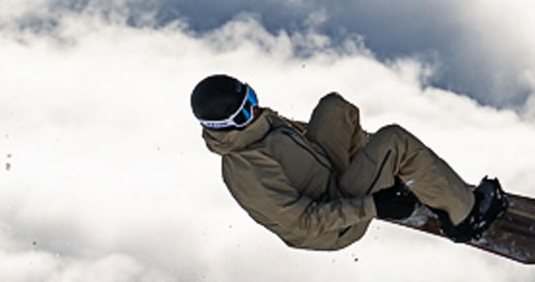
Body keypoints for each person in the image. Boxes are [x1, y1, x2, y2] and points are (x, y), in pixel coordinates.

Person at [190, 74, 506, 250]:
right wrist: (373, 205)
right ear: (224, 127)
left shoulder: (260, 126)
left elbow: (305, 140)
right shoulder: (247, 171)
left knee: (334, 108)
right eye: (245, 112)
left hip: (329, 180)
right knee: (395, 139)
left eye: (252, 99)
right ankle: (466, 216)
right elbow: (301, 223)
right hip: (329, 230)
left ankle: (391, 170)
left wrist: (374, 163)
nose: (256, 111)